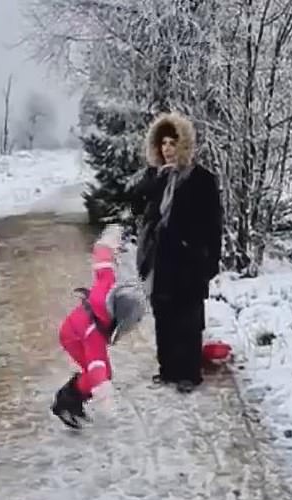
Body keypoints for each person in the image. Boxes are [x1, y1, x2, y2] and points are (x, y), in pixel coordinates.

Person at [131, 111, 222, 393]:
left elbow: (213, 223)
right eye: (163, 144)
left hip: (189, 260)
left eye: (172, 143)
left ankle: (189, 373)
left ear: (183, 145)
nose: (167, 149)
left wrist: (210, 262)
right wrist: (154, 181)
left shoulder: (201, 179)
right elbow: (136, 206)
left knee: (188, 317)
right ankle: (168, 369)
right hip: (160, 259)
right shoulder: (155, 178)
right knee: (164, 314)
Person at [51, 224, 146, 429]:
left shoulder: (108, 289)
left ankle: (72, 398)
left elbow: (103, 260)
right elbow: (97, 367)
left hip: (78, 328)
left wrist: (112, 238)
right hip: (73, 337)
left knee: (100, 374)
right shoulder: (94, 333)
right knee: (99, 375)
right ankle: (66, 402)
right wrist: (106, 398)